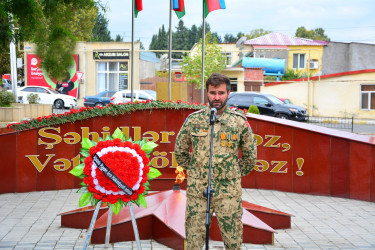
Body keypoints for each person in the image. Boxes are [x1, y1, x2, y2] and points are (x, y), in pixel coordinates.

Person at [174, 73, 257, 249]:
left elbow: (250, 158)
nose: (216, 97)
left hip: (228, 192)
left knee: (232, 240)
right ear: (207, 93)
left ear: (228, 93)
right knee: (194, 240)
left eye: (221, 93)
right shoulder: (194, 120)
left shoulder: (239, 122)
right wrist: (197, 171)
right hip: (198, 191)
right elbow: (180, 151)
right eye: (213, 93)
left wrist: (231, 173)